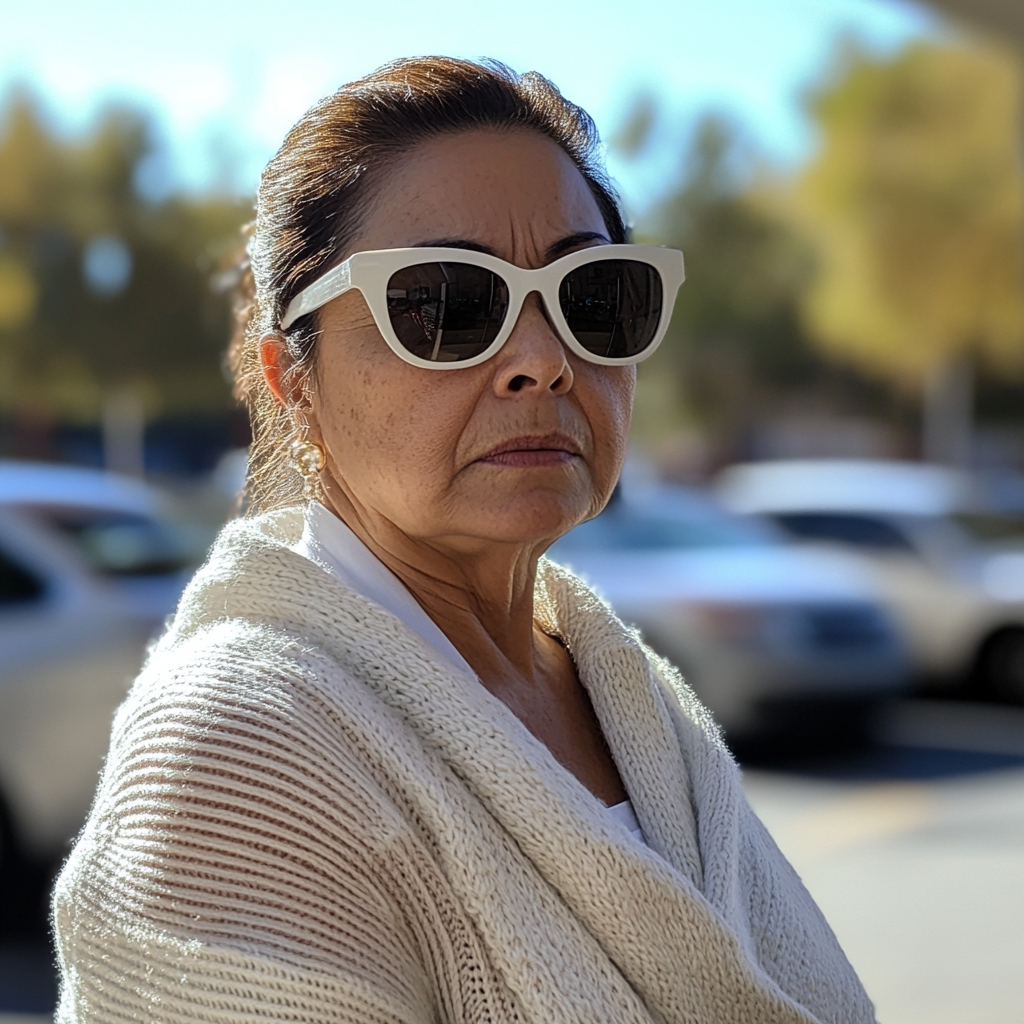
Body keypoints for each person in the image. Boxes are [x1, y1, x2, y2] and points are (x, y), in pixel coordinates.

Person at [53, 57, 875, 1024]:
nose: (542, 360)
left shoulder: (634, 698)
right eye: (444, 305)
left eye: (594, 295)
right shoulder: (242, 752)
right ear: (295, 384)